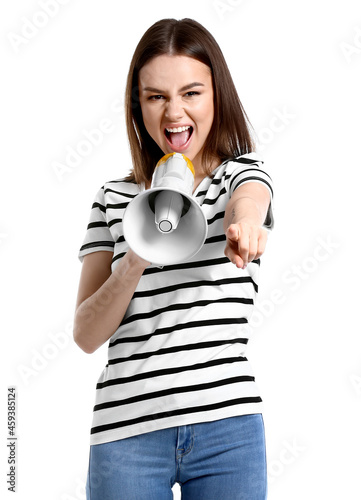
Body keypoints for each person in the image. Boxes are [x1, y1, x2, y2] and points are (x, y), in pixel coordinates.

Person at [74, 17, 274, 500]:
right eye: (156, 96)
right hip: (126, 434)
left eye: (191, 93)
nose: (174, 112)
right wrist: (134, 262)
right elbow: (85, 336)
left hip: (227, 429)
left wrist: (246, 225)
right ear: (137, 105)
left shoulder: (240, 174)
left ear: (215, 97)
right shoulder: (112, 198)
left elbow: (250, 199)